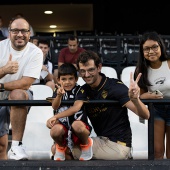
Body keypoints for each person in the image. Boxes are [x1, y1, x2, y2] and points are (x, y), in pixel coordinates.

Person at [47, 50, 150, 160]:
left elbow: (145, 115)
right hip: (100, 140)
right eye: (82, 71)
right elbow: (74, 109)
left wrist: (135, 100)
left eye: (90, 70)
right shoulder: (84, 90)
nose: (86, 75)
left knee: (58, 151)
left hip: (119, 144)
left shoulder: (115, 87)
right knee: (60, 149)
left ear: (99, 67)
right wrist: (56, 118)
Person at [0, 17, 43, 160]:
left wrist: (1, 85)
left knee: (17, 94)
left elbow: (26, 83)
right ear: (9, 33)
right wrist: (4, 70)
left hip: (20, 93)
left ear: (29, 34)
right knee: (0, 145)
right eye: (15, 31)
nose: (20, 34)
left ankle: (17, 146)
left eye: (24, 31)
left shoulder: (36, 52)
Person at [134, 31, 170, 159]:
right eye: (146, 49)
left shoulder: (169, 63)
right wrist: (146, 96)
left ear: (161, 46)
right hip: (156, 110)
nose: (151, 51)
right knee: (157, 151)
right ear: (142, 52)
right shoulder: (140, 70)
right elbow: (141, 96)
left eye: (154, 47)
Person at [46, 63, 93, 161]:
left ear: (76, 79)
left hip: (79, 128)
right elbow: (54, 106)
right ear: (58, 80)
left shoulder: (81, 89)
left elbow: (76, 108)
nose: (67, 82)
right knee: (55, 131)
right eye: (64, 79)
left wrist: (55, 117)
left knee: (77, 125)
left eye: (70, 78)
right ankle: (61, 146)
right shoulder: (57, 90)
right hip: (64, 129)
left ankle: (86, 144)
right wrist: (58, 96)